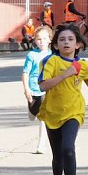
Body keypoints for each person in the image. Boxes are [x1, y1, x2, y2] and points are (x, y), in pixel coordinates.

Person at [37, 23, 88, 175]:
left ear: (78, 45)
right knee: (58, 157)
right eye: (62, 39)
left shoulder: (82, 65)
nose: (66, 42)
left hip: (74, 111)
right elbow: (43, 86)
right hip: (52, 113)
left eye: (70, 39)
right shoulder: (51, 62)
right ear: (56, 45)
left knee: (68, 149)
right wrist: (65, 74)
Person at [22, 25, 52, 154]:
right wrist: (26, 89)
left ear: (50, 40)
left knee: (43, 119)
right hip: (34, 90)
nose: (42, 41)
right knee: (32, 116)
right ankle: (30, 110)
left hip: (47, 90)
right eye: (39, 39)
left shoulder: (53, 55)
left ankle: (41, 144)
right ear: (35, 41)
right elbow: (25, 73)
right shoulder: (32, 55)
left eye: (45, 38)